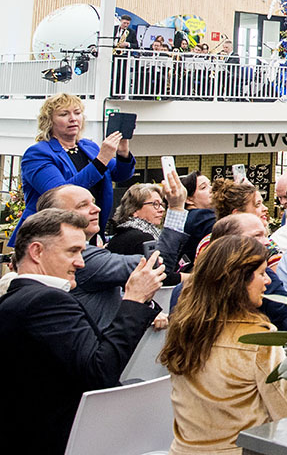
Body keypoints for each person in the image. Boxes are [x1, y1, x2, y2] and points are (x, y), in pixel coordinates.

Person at [0, 208, 164, 455]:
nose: (81, 262)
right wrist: (134, 300)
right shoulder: (45, 301)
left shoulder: (22, 299)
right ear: (36, 251)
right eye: (73, 251)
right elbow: (100, 371)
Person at [160, 235, 287, 454]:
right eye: (262, 273)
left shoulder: (183, 327)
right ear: (238, 281)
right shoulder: (258, 340)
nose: (268, 281)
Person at [37, 183, 184, 329]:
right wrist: (176, 208)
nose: (97, 209)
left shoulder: (90, 249)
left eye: (93, 203)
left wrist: (147, 307)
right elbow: (156, 265)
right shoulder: (83, 257)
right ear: (55, 216)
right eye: (83, 205)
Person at [9, 93, 135, 245]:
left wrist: (122, 153)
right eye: (64, 114)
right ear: (49, 121)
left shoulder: (89, 147)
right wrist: (102, 159)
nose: (73, 118)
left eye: (77, 113)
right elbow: (61, 194)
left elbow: (121, 175)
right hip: (49, 236)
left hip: (88, 232)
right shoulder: (37, 153)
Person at [169, 214, 287, 333]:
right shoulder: (256, 279)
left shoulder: (184, 289)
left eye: (265, 235)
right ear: (230, 242)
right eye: (257, 236)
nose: (267, 242)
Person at [106, 183, 184, 287]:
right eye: (155, 204)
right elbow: (161, 276)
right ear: (134, 210)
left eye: (161, 204)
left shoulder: (124, 233)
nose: (162, 209)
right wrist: (192, 277)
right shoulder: (142, 239)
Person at [179, 171, 215, 266]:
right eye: (203, 187)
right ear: (189, 199)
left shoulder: (185, 217)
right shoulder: (201, 216)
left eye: (210, 185)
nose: (211, 189)